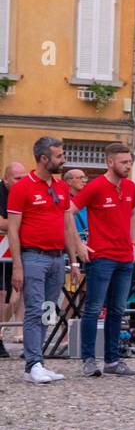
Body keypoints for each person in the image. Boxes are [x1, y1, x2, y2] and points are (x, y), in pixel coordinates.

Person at [6, 137, 86, 383]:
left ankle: (38, 361)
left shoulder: (61, 188)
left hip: (55, 258)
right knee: (34, 310)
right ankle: (33, 363)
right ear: (44, 159)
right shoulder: (22, 188)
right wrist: (17, 265)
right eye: (59, 156)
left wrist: (73, 261)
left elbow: (67, 226)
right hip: (33, 256)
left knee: (47, 311)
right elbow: (13, 229)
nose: (63, 160)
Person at [72, 143, 135, 377]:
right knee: (93, 308)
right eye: (124, 162)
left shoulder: (131, 187)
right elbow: (68, 211)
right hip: (101, 256)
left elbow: (133, 212)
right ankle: (88, 359)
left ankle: (112, 360)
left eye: (130, 162)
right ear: (110, 162)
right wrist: (79, 244)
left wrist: (132, 241)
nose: (128, 166)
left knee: (117, 310)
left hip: (124, 257)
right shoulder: (95, 187)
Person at [0, 160, 29, 357]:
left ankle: (18, 331)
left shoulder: (26, 192)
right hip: (3, 250)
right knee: (1, 294)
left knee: (20, 290)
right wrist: (20, 223)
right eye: (17, 178)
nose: (22, 182)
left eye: (23, 177)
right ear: (6, 179)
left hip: (17, 248)